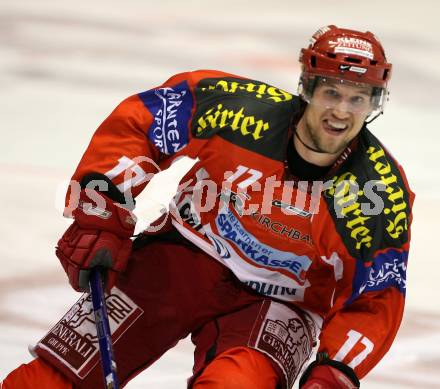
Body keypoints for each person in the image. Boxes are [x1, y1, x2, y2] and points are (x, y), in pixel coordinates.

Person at [2, 25, 414, 389]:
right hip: (181, 256)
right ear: (307, 87)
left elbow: (376, 295)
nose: (341, 111)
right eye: (331, 92)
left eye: (358, 99)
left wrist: (336, 369)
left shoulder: (377, 193)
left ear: (374, 103)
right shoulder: (238, 108)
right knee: (46, 382)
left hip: (283, 301)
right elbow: (143, 121)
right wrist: (102, 210)